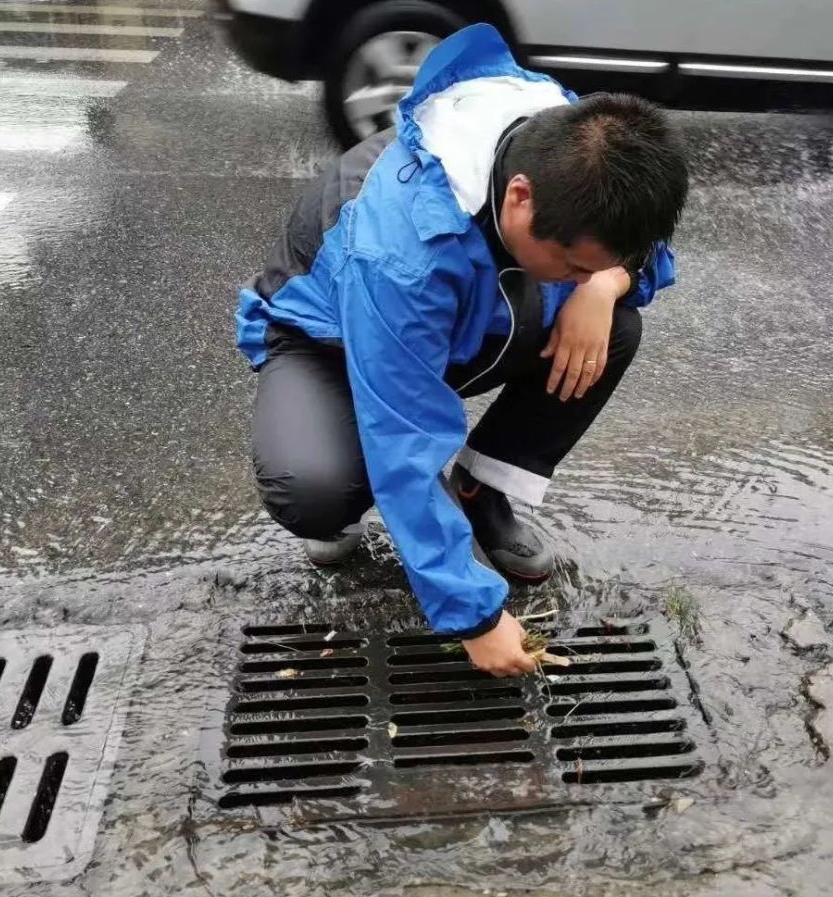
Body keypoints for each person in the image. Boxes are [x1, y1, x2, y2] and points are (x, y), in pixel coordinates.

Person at [235, 24, 688, 678]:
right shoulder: (403, 250)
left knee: (613, 326)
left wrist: (605, 284)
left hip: (467, 313)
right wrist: (473, 613)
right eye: (571, 263)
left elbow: (642, 254)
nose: (581, 274)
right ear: (520, 198)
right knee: (316, 489)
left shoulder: (566, 140)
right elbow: (404, 429)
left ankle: (484, 487)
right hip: (331, 338)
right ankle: (333, 475)